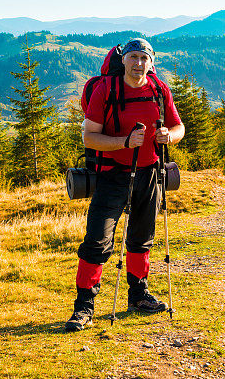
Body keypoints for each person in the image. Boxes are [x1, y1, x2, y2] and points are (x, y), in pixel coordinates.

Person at [65, 38, 185, 332]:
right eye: (133, 57)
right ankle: (84, 308)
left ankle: (138, 295)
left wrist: (169, 136)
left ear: (151, 63)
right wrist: (124, 143)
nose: (138, 63)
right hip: (112, 174)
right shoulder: (106, 90)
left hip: (150, 173)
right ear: (123, 60)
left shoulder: (159, 89)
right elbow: (89, 137)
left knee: (142, 238)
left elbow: (178, 126)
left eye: (144, 58)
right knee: (97, 240)